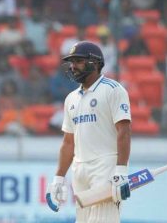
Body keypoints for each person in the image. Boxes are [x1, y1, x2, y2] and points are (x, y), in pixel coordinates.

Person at [47, 41, 132, 223]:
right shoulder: (71, 98)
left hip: (106, 166)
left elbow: (124, 131)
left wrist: (121, 170)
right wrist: (59, 178)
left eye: (78, 61)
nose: (73, 66)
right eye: (71, 62)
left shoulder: (113, 90)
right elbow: (68, 142)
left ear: (95, 63)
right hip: (80, 169)